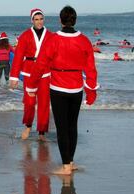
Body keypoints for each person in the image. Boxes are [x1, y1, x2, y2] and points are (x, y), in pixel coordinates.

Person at [26, 6, 99, 175]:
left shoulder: (53, 40)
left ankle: (66, 166)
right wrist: (91, 91)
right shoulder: (84, 40)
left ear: (60, 20)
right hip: (76, 89)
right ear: (74, 20)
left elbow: (40, 65)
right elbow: (91, 69)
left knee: (62, 128)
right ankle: (70, 162)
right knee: (72, 126)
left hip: (58, 88)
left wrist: (31, 86)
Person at [9, 8, 53, 141]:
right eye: (36, 19)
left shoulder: (51, 35)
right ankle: (28, 127)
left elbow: (55, 56)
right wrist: (14, 76)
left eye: (41, 19)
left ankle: (41, 132)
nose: (39, 22)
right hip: (29, 72)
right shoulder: (25, 35)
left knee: (44, 103)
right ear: (32, 20)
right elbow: (18, 57)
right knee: (29, 102)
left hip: (45, 73)